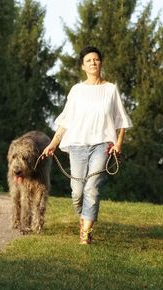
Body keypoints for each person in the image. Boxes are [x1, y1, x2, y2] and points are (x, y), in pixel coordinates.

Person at [42, 46, 132, 244]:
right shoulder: (77, 90)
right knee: (77, 191)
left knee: (92, 188)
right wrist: (53, 144)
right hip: (77, 146)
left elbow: (121, 120)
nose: (93, 62)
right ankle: (84, 217)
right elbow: (65, 120)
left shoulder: (110, 89)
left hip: (102, 145)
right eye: (89, 60)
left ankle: (85, 233)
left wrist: (118, 144)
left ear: (101, 63)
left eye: (96, 59)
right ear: (83, 66)